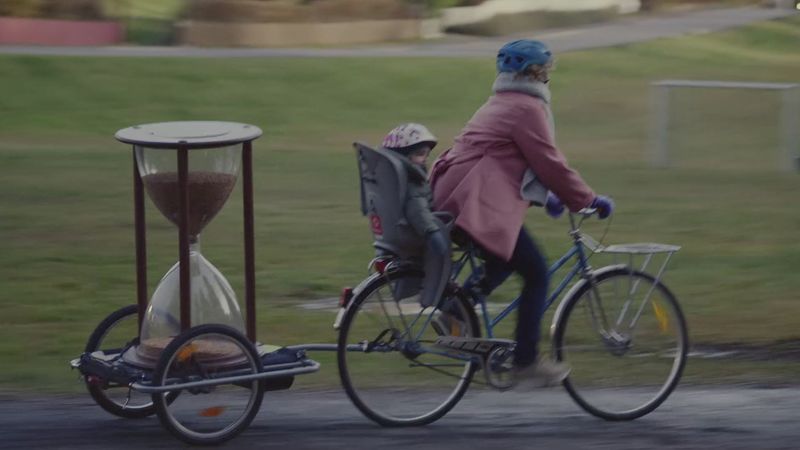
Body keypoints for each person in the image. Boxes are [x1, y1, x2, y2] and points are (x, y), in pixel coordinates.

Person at [429, 39, 614, 388]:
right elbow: (549, 162)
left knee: (502, 259)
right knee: (537, 273)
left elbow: (512, 159)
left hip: (454, 198)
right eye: (546, 68)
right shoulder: (526, 108)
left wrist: (550, 196)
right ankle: (526, 362)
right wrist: (586, 199)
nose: (548, 75)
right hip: (472, 203)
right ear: (533, 72)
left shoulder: (501, 101)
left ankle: (454, 313)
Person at [380, 123, 451, 311]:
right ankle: (437, 297)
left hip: (393, 232)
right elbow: (417, 210)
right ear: (404, 155)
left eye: (426, 154)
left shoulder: (392, 178)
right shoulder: (412, 181)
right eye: (420, 154)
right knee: (442, 250)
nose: (425, 159)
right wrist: (432, 232)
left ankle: (410, 287)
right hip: (415, 233)